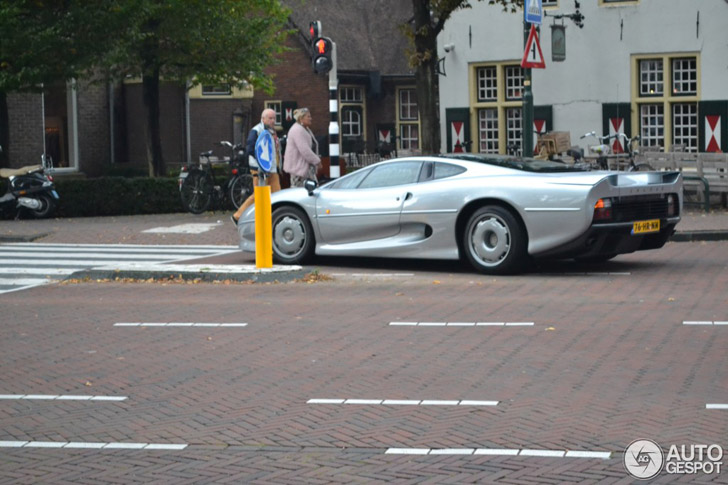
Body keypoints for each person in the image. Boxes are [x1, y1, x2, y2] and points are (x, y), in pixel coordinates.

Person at [231, 108, 282, 224]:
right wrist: (261, 162)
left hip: (272, 169)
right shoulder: (256, 130)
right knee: (258, 195)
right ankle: (237, 216)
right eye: (270, 118)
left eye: (274, 118)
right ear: (262, 119)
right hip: (260, 169)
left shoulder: (272, 131)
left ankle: (277, 217)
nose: (273, 121)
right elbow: (250, 148)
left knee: (278, 194)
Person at [283, 108, 320, 187]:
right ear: (301, 119)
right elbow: (305, 150)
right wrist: (317, 161)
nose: (311, 118)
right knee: (300, 193)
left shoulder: (305, 129)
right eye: (308, 117)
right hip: (299, 170)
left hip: (305, 168)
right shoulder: (297, 130)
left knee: (311, 191)